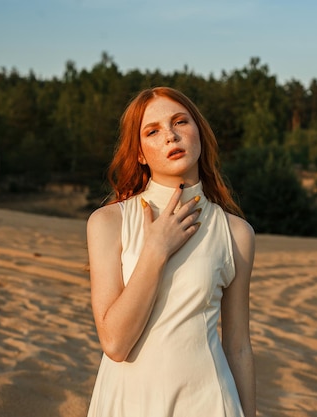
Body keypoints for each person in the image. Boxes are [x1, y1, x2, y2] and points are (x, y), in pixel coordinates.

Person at [85, 86, 256, 417]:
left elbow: (238, 347)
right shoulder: (107, 223)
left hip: (209, 402)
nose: (171, 136)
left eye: (181, 122)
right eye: (153, 130)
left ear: (199, 133)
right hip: (127, 403)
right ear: (139, 153)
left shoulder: (236, 233)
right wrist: (155, 250)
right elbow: (115, 344)